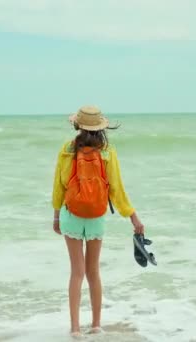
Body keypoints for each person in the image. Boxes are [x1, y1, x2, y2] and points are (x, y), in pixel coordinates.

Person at [51, 105, 145, 337]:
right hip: (96, 217)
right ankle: (95, 325)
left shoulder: (67, 149)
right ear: (101, 127)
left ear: (76, 125)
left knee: (77, 273)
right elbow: (116, 188)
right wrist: (133, 217)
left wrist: (55, 215)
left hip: (71, 215)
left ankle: (74, 329)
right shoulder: (107, 152)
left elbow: (59, 185)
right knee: (94, 272)